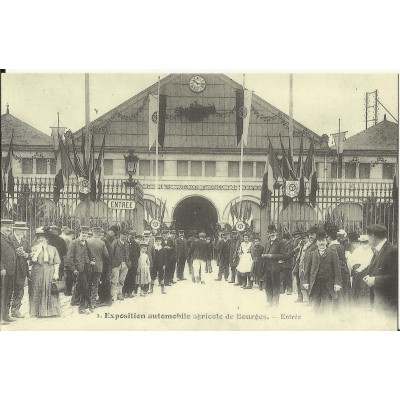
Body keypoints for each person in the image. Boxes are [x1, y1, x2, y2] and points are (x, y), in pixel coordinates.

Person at [303, 230, 342, 312]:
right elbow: (307, 269)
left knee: (326, 304)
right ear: (316, 242)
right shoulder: (312, 254)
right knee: (315, 304)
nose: (321, 243)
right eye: (319, 241)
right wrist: (306, 281)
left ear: (326, 241)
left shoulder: (332, 253)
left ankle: (324, 320)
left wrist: (337, 283)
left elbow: (337, 270)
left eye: (323, 241)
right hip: (315, 283)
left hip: (327, 284)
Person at [364, 224, 398, 314]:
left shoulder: (392, 251)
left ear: (373, 237)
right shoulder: (378, 250)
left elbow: (395, 277)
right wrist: (369, 277)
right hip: (378, 302)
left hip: (388, 304)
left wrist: (375, 279)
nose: (367, 240)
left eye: (368, 237)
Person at [30, 227, 62, 317]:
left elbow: (57, 262)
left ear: (47, 239)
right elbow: (32, 260)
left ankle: (51, 311)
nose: (40, 239)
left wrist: (56, 273)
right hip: (38, 271)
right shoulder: (34, 248)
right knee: (38, 289)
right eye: (39, 237)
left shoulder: (53, 249)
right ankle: (37, 312)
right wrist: (38, 251)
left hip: (49, 271)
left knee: (50, 290)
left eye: (42, 237)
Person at [65, 226, 96, 314]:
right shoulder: (73, 243)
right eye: (83, 233)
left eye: (86, 234)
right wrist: (73, 269)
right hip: (79, 270)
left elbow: (91, 254)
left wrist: (92, 260)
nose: (84, 235)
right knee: (85, 287)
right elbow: (69, 258)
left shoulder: (86, 243)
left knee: (84, 287)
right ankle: (89, 305)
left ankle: (81, 307)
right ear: (79, 233)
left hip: (87, 269)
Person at [262, 225, 287, 307]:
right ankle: (269, 302)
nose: (271, 234)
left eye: (273, 232)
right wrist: (264, 256)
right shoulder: (267, 243)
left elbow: (283, 255)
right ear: (268, 233)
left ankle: (276, 302)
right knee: (268, 285)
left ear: (276, 232)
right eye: (269, 232)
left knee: (275, 284)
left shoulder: (281, 243)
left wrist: (271, 256)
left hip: (276, 267)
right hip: (267, 267)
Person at [10, 221, 30, 318]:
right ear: (15, 230)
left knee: (20, 290)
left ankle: (15, 309)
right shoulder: (9, 239)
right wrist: (15, 252)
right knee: (8, 289)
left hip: (22, 269)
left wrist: (26, 254)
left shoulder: (25, 241)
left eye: (24, 230)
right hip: (11, 268)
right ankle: (4, 310)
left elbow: (30, 254)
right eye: (21, 230)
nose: (23, 232)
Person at [326, 225, 350, 308]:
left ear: (329, 238)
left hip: (333, 272)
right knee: (342, 292)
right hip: (343, 271)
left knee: (333, 292)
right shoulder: (341, 246)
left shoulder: (330, 248)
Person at [292, 226, 318, 303]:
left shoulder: (316, 245)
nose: (310, 236)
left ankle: (309, 300)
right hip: (301, 265)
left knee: (309, 282)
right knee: (300, 281)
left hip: (310, 267)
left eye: (312, 234)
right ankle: (302, 298)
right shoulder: (306, 245)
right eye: (309, 234)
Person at [86, 227, 110, 307]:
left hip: (88, 266)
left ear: (92, 232)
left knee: (87, 284)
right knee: (95, 285)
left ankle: (86, 302)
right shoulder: (102, 243)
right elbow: (106, 255)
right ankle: (93, 302)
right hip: (98, 266)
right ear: (99, 233)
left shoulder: (87, 241)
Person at [1, 219, 17, 325]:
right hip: (3, 272)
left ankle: (5, 316)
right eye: (6, 227)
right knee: (1, 294)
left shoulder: (8, 238)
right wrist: (1, 268)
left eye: (10, 227)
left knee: (8, 294)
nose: (8, 229)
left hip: (10, 271)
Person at [349, 235, 373, 305]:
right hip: (356, 269)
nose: (363, 245)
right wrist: (353, 266)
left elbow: (367, 262)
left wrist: (360, 269)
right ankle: (354, 299)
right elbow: (352, 260)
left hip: (364, 270)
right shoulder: (357, 250)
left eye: (365, 243)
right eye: (362, 243)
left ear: (368, 243)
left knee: (362, 286)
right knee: (355, 285)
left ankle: (362, 301)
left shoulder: (370, 251)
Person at [110, 230, 131, 301]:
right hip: (116, 264)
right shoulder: (115, 243)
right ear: (120, 235)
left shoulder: (127, 244)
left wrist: (128, 263)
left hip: (125, 264)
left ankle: (119, 294)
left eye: (126, 236)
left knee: (122, 280)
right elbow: (111, 254)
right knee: (114, 280)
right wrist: (112, 263)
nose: (124, 237)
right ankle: (112, 295)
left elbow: (128, 254)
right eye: (123, 235)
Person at [123, 230, 141, 298]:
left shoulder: (136, 244)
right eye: (131, 236)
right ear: (128, 235)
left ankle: (130, 292)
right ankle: (124, 292)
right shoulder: (125, 243)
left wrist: (135, 262)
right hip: (126, 264)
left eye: (133, 236)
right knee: (125, 278)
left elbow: (138, 254)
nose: (132, 238)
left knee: (132, 278)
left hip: (133, 264)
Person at [98, 228, 113, 306]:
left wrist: (106, 265)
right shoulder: (103, 240)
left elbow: (108, 254)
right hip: (103, 264)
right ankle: (102, 299)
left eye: (100, 233)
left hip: (105, 264)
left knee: (105, 282)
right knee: (101, 282)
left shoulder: (104, 241)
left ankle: (106, 300)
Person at [60, 227, 75, 296]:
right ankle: (68, 290)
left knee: (64, 274)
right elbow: (70, 250)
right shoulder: (68, 239)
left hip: (61, 258)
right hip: (68, 258)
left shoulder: (60, 237)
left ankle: (62, 288)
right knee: (69, 274)